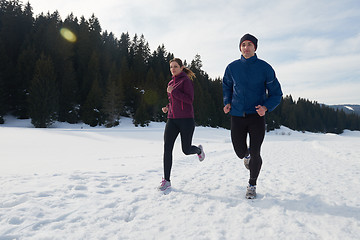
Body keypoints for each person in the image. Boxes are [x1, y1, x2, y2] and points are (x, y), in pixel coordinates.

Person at [222, 33, 283, 199]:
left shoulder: (265, 68)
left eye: (249, 44)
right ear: (240, 48)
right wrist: (227, 101)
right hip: (237, 115)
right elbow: (226, 86)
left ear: (255, 47)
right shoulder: (232, 67)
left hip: (256, 116)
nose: (246, 47)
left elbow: (277, 94)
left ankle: (252, 184)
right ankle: (247, 156)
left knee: (256, 151)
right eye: (243, 45)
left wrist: (266, 108)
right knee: (240, 151)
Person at [158, 58, 205, 192]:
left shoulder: (186, 81)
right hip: (172, 119)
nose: (173, 69)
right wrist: (168, 107)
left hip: (186, 120)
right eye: (171, 67)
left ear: (181, 67)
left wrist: (173, 91)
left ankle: (199, 151)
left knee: (186, 150)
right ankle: (166, 180)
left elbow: (189, 100)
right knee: (167, 148)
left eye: (175, 66)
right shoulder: (171, 82)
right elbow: (174, 101)